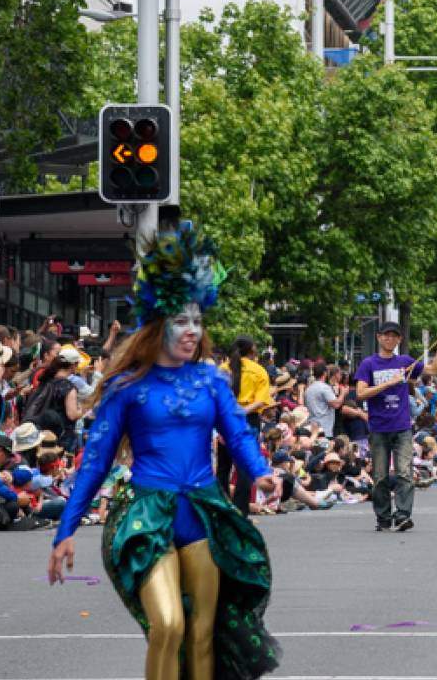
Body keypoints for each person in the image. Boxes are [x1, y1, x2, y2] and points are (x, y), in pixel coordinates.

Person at [46, 222, 282, 680]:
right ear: (159, 325)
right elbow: (95, 462)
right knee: (168, 624)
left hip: (203, 512)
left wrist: (261, 473)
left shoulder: (212, 380)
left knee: (201, 631)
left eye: (197, 320)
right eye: (180, 321)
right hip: (147, 516)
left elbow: (238, 435)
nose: (192, 330)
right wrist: (65, 530)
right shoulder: (126, 387)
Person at [354, 320, 437, 532]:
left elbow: (434, 369)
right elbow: (360, 393)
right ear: (379, 337)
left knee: (404, 473)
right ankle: (383, 516)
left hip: (402, 426)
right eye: (386, 335)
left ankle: (403, 515)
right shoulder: (368, 364)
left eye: (394, 335)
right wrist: (388, 383)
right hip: (378, 427)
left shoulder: (405, 361)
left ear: (399, 339)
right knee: (379, 476)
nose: (389, 338)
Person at [217, 336, 272, 514]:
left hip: (225, 417)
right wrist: (243, 411)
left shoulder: (223, 369)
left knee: (223, 467)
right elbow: (261, 400)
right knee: (244, 467)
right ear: (252, 351)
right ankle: (241, 511)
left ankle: (222, 509)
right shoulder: (259, 371)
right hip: (248, 419)